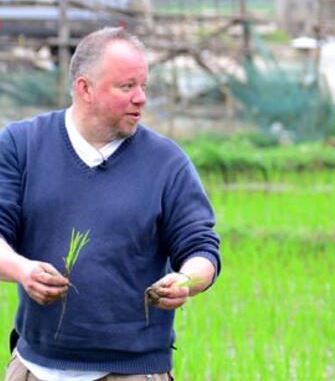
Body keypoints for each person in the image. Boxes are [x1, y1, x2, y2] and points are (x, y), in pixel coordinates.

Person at [0, 27, 221, 380]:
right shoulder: (21, 145)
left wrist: (186, 280)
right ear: (85, 88)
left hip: (133, 370)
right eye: (126, 86)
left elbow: (201, 247)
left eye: (144, 86)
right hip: (34, 367)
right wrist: (23, 271)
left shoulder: (166, 163)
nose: (141, 98)